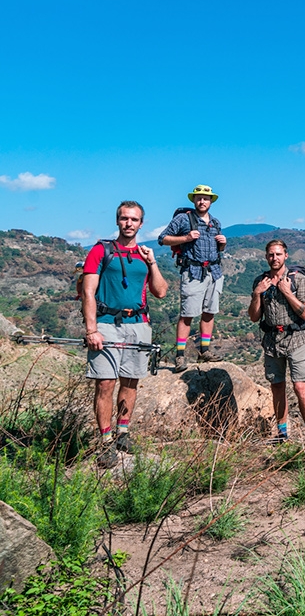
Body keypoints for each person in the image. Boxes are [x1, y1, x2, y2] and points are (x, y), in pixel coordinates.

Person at [81, 200, 168, 469]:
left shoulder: (144, 255)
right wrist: (91, 329)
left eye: (134, 219)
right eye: (124, 219)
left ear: (142, 223)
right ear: (117, 221)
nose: (128, 223)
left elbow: (161, 291)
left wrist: (152, 263)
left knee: (130, 382)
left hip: (138, 323)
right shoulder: (100, 250)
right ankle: (106, 442)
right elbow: (87, 291)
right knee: (105, 383)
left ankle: (123, 433)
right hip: (107, 322)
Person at [248, 239, 305, 443]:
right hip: (271, 340)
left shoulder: (297, 280)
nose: (274, 258)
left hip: (295, 338)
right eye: (271, 254)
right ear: (266, 256)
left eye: (278, 254)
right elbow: (254, 316)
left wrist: (287, 292)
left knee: (300, 387)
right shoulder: (260, 282)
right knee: (277, 386)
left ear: (286, 255)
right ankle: (281, 433)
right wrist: (256, 294)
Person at [158, 184, 227, 371]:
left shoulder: (216, 223)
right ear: (193, 199)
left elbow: (216, 250)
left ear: (211, 201)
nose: (202, 201)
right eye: (199, 197)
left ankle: (204, 350)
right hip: (193, 272)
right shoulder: (183, 219)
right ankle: (179, 356)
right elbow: (162, 239)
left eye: (206, 198)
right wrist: (186, 238)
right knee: (187, 314)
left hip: (213, 272)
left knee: (209, 312)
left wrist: (222, 245)